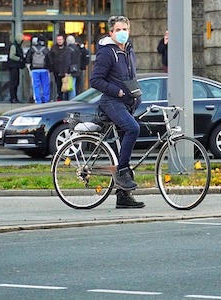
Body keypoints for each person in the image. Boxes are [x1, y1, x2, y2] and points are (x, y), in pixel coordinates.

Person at [90, 15, 144, 209]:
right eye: (118, 30)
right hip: (112, 101)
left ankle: (123, 197)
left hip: (128, 103)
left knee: (123, 147)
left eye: (125, 29)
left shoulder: (128, 50)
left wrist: (136, 95)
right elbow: (95, 80)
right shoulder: (107, 52)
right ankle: (122, 172)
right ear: (111, 33)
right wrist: (118, 91)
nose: (122, 33)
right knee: (133, 129)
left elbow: (131, 76)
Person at [26, 35, 51, 104]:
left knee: (36, 86)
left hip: (34, 70)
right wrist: (49, 68)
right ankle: (46, 99)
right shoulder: (45, 49)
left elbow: (27, 60)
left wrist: (29, 68)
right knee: (45, 85)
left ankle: (38, 100)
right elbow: (50, 60)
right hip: (44, 70)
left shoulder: (32, 49)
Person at [7, 33, 25, 103]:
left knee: (15, 82)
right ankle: (13, 98)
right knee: (14, 82)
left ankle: (14, 97)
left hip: (15, 66)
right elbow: (11, 56)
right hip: (13, 66)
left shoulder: (16, 46)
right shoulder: (14, 46)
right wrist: (19, 59)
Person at [49, 34, 67, 101]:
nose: (59, 41)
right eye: (58, 40)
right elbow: (50, 58)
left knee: (65, 85)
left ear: (63, 40)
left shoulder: (66, 48)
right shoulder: (54, 48)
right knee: (58, 84)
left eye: (61, 40)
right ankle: (59, 97)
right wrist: (52, 67)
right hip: (56, 70)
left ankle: (64, 98)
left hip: (64, 70)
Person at [64, 35, 81, 100]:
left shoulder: (68, 49)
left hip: (70, 70)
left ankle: (72, 99)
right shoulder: (77, 49)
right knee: (73, 85)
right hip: (76, 69)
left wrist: (66, 71)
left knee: (71, 86)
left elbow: (67, 61)